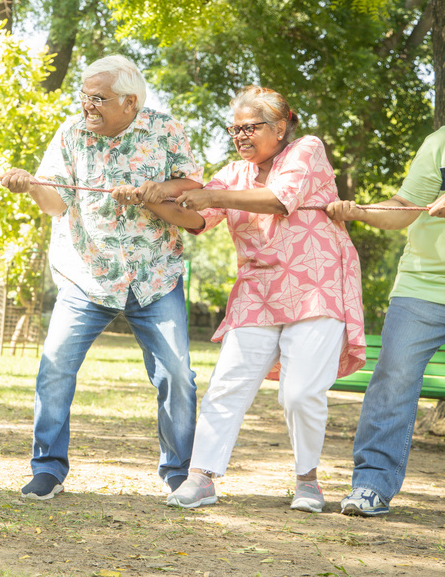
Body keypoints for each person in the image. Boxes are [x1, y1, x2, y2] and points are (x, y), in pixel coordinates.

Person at [0, 55, 203, 500]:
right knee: (54, 368)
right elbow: (56, 205)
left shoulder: (165, 130)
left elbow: (195, 195)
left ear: (130, 102)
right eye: (84, 97)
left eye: (98, 99)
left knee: (176, 374)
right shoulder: (71, 134)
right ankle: (47, 468)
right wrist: (31, 184)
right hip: (86, 275)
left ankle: (178, 472)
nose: (87, 106)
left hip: (154, 276)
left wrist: (160, 192)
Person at [165, 86, 366, 513]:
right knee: (227, 384)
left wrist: (210, 195)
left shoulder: (306, 151)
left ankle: (307, 481)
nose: (240, 136)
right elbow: (198, 218)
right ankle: (201, 478)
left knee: (298, 394)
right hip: (257, 291)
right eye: (234, 129)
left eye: (249, 128)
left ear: (280, 127)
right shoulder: (233, 173)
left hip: (316, 285)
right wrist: (155, 202)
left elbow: (280, 200)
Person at [327, 127, 445, 516]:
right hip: (424, 284)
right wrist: (360, 211)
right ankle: (371, 484)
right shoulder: (440, 142)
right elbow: (405, 205)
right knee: (394, 378)